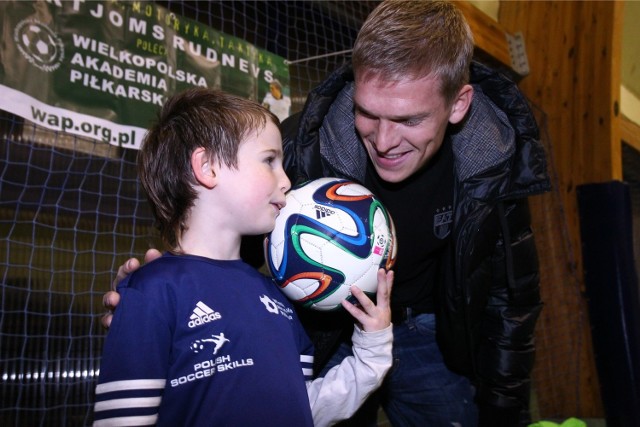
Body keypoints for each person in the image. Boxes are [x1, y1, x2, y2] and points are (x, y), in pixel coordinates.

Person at [104, 1, 551, 425]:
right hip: (326, 330)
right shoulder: (302, 146)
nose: (383, 139)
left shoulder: (494, 164)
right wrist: (165, 300)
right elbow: (226, 222)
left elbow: (511, 299)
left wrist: (502, 408)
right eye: (367, 113)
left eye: (408, 120)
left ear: (458, 104)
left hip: (433, 332)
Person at [94, 88, 395, 427]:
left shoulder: (279, 297)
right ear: (207, 167)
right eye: (269, 160)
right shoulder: (153, 290)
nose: (286, 180)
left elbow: (302, 407)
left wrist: (373, 350)